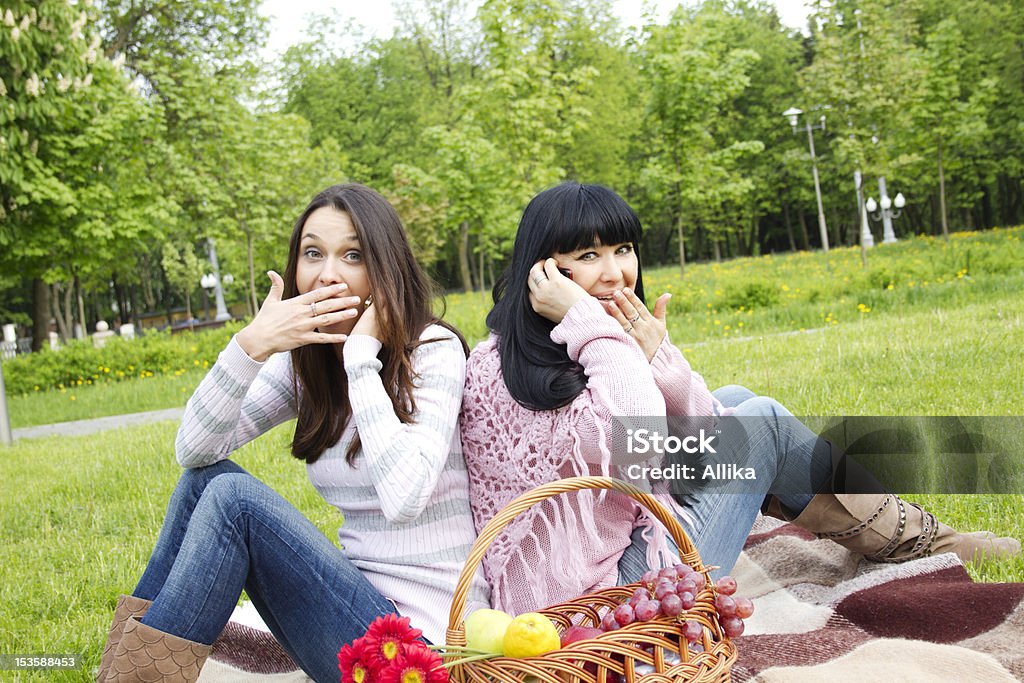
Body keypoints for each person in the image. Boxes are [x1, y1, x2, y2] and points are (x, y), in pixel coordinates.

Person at [459, 182, 1020, 615]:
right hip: (599, 604)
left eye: (623, 249)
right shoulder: (507, 363)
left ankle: (901, 538)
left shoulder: (568, 344)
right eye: (587, 255)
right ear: (541, 271)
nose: (615, 274)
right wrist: (605, 334)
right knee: (763, 425)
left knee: (737, 403)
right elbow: (638, 444)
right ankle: (918, 541)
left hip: (616, 548)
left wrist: (660, 360)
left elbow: (705, 424)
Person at [97, 183, 489, 683]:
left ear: (385, 266)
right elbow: (193, 450)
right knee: (206, 483)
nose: (328, 273)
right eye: (312, 254)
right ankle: (122, 673)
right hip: (352, 617)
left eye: (352, 254)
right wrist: (251, 345)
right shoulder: (306, 362)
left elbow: (405, 496)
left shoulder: (431, 350)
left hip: (426, 648)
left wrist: (360, 360)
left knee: (234, 500)